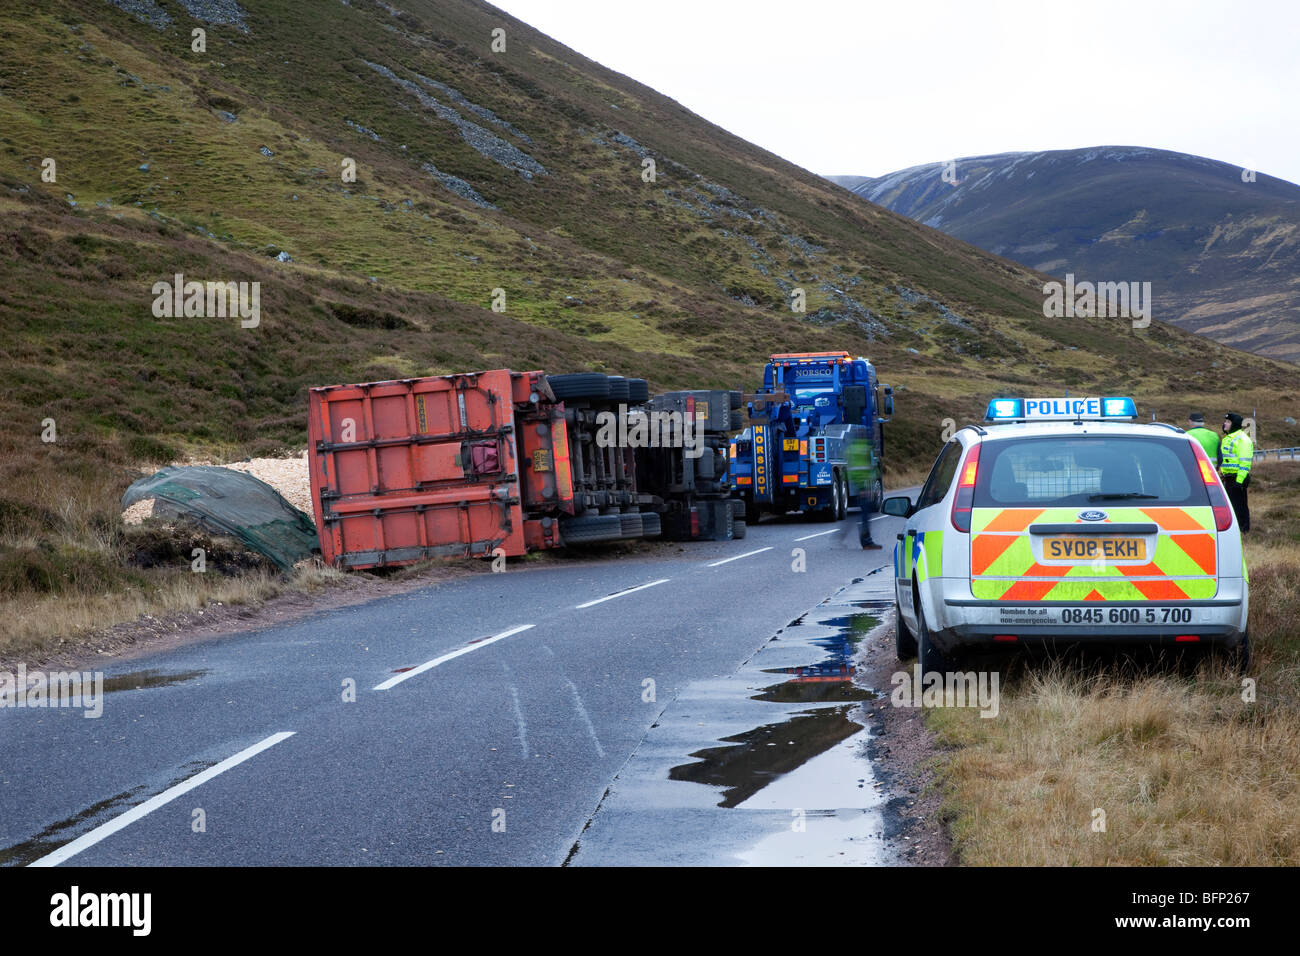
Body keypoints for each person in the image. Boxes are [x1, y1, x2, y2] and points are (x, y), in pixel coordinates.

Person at [847, 435, 883, 550]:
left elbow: (851, 469)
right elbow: (868, 469)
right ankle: (867, 542)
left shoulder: (853, 448)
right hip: (864, 486)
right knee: (865, 515)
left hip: (860, 486)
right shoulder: (865, 449)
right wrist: (865, 488)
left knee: (863, 514)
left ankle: (865, 540)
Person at [1220, 412, 1253, 532]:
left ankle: (1243, 530)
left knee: (1239, 506)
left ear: (1234, 424)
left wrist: (1239, 481)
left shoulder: (1243, 439)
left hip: (1238, 478)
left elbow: (1245, 463)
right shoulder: (1228, 438)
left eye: (1228, 422)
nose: (1225, 424)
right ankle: (1235, 529)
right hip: (1229, 478)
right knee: (1231, 506)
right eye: (1225, 421)